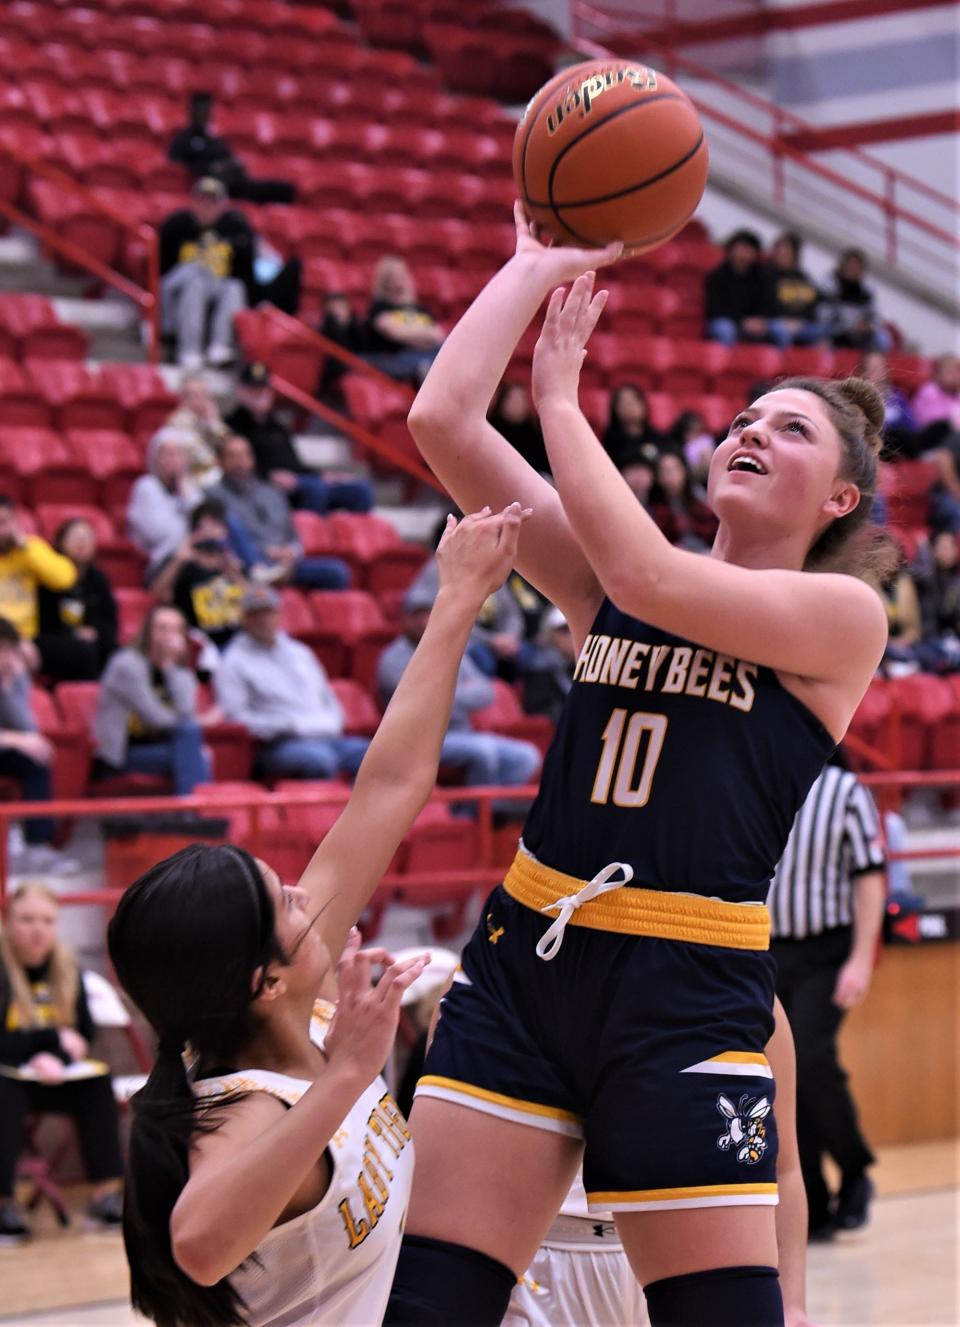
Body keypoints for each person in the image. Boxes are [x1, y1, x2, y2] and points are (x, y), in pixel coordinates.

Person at [386, 204, 888, 1327]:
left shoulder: (841, 618)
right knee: (428, 1312)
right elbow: (443, 418)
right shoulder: (614, 578)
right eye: (745, 416)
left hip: (685, 993)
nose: (751, 430)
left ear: (840, 500)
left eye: (793, 431)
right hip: (525, 964)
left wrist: (562, 400)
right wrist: (527, 267)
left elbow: (655, 577)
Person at [105, 505, 527, 1327]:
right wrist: (343, 1078)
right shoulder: (247, 1106)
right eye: (286, 901)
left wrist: (456, 600)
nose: (308, 894)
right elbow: (197, 1242)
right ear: (262, 980)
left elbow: (392, 787)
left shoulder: (301, 1001)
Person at [505, 1000, 813, 1327]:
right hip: (540, 1257)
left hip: (688, 1264)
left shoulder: (750, 992)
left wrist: (791, 1302)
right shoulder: (506, 968)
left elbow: (785, 1168)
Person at [767, 754, 886, 1240]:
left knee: (812, 1059)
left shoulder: (846, 791)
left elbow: (870, 878)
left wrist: (861, 958)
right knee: (779, 1078)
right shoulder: (763, 780)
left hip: (825, 950)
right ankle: (811, 1198)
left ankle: (855, 1169)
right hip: (767, 950)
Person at [0, 883, 124, 1241]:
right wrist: (51, 1042)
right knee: (4, 1090)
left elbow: (83, 1034)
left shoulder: (68, 967)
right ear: (8, 920)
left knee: (97, 1083)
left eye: (47, 920)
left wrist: (53, 1056)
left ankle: (105, 1194)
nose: (38, 929)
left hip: (52, 1077)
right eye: (27, 919)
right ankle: (4, 1201)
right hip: (10, 1080)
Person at [378, 577, 542, 802]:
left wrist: (442, 693)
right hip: (415, 740)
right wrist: (456, 690)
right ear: (405, 620)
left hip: (459, 734)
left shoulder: (449, 650)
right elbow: (414, 702)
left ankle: (491, 813)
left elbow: (486, 692)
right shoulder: (392, 657)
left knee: (527, 756)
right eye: (417, 614)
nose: (424, 621)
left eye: (429, 612)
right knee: (482, 751)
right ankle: (473, 814)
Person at [216, 585, 369, 781]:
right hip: (278, 745)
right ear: (244, 619)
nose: (263, 620)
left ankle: (360, 810)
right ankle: (324, 811)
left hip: (326, 736)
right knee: (319, 760)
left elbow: (327, 696)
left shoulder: (300, 652)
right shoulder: (234, 661)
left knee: (372, 755)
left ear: (279, 615)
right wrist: (286, 725)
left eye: (268, 612)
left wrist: (332, 722)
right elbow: (235, 718)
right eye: (256, 614)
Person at [226, 361, 374, 517]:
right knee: (316, 489)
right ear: (240, 391)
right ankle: (312, 537)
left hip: (298, 480)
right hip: (266, 485)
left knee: (360, 488)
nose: (260, 395)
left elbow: (296, 464)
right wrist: (268, 476)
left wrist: (322, 475)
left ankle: (354, 538)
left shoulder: (278, 426)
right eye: (254, 390)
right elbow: (235, 466)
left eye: (264, 390)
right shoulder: (232, 426)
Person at [93, 605, 212, 796]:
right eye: (162, 628)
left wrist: (171, 668)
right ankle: (193, 813)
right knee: (195, 750)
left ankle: (192, 812)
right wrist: (195, 721)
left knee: (195, 747)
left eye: (175, 630)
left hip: (159, 746)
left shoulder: (178, 671)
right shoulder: (127, 664)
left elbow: (186, 712)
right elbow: (156, 718)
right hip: (122, 754)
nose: (168, 636)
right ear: (147, 632)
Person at [207, 434, 352, 591]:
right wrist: (265, 552)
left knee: (337, 572)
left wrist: (291, 551)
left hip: (285, 564)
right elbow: (222, 539)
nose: (240, 461)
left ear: (252, 459)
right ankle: (262, 577)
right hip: (250, 565)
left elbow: (293, 536)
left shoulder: (272, 492)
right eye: (232, 456)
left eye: (244, 454)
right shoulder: (212, 496)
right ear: (220, 462)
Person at [0, 617, 70, 874]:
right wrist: (16, 740)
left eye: (11, 651)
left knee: (36, 757)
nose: (7, 659)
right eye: (1, 651)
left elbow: (28, 728)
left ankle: (38, 846)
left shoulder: (11, 678)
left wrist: (9, 689)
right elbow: (22, 736)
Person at [159, 178, 252, 370]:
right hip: (178, 284)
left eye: (212, 203)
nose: (206, 207)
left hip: (215, 285)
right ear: (192, 202)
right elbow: (161, 268)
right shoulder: (176, 225)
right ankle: (189, 350)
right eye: (202, 201)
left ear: (222, 206)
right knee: (195, 279)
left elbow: (244, 269)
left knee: (234, 287)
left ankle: (220, 346)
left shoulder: (235, 227)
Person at [168, 90, 296, 205]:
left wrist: (234, 165)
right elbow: (179, 168)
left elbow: (230, 159)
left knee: (284, 189)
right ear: (192, 111)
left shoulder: (216, 140)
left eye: (207, 110)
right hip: (209, 184)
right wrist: (212, 169)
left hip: (232, 181)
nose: (205, 114)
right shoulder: (182, 140)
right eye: (201, 110)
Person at [36, 517, 118, 682]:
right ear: (60, 542)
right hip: (51, 638)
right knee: (83, 650)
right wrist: (72, 634)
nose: (81, 542)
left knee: (121, 654)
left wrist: (95, 631)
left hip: (91, 641)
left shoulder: (98, 579)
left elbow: (110, 620)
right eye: (75, 537)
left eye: (87, 537)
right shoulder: (46, 576)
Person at [0, 495, 77, 658]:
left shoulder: (31, 548)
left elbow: (65, 579)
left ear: (15, 522)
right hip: (8, 637)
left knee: (81, 652)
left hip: (28, 637)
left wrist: (26, 548)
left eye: (4, 522)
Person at [170, 501, 249, 653]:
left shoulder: (233, 566)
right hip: (206, 646)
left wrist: (236, 575)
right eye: (207, 526)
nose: (212, 532)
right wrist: (178, 561)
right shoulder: (185, 566)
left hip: (239, 642)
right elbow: (160, 596)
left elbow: (252, 605)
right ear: (195, 532)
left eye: (217, 526)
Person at [126, 429, 202, 584]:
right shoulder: (146, 487)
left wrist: (183, 490)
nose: (173, 460)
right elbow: (157, 533)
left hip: (193, 560)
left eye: (178, 454)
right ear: (155, 459)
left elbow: (205, 526)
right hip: (161, 563)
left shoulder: (190, 489)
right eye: (167, 454)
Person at [363, 256, 445, 384]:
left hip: (427, 353)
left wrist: (412, 334)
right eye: (394, 275)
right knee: (424, 365)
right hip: (396, 358)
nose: (399, 278)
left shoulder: (420, 309)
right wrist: (424, 335)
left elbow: (438, 335)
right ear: (385, 280)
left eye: (402, 273)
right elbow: (397, 334)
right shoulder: (380, 307)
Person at [704, 228, 779, 347]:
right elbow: (715, 309)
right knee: (725, 329)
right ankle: (726, 364)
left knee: (778, 329)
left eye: (749, 250)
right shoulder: (717, 276)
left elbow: (768, 303)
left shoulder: (761, 277)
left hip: (752, 323)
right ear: (731, 250)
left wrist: (761, 319)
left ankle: (779, 364)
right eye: (741, 248)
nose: (745, 254)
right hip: (726, 320)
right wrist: (742, 321)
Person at [164, 372, 229, 487]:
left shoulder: (211, 421)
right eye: (195, 395)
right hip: (193, 483)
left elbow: (231, 451)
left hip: (218, 481)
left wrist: (214, 424)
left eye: (204, 395)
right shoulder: (177, 424)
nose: (202, 400)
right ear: (182, 398)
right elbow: (202, 459)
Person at [762, 233, 827, 348]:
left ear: (795, 255)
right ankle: (784, 362)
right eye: (778, 251)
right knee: (779, 330)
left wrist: (799, 322)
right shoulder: (765, 274)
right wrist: (785, 320)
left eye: (786, 252)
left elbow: (811, 305)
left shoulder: (803, 278)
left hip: (800, 324)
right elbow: (764, 304)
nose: (781, 255)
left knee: (824, 331)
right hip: (775, 322)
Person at [648, 450, 718, 552]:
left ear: (684, 471)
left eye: (673, 470)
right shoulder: (654, 508)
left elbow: (713, 531)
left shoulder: (698, 499)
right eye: (664, 471)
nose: (669, 476)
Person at [823, 249, 891, 353]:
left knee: (883, 338)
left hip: (860, 334)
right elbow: (825, 316)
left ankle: (873, 366)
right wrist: (851, 325)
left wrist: (868, 326)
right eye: (850, 265)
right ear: (842, 265)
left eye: (857, 267)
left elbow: (876, 316)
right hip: (837, 330)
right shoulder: (830, 285)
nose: (853, 269)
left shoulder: (866, 292)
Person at [521, 606, 575, 724]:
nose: (572, 635)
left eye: (574, 628)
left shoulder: (590, 662)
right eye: (564, 630)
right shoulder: (539, 668)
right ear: (549, 634)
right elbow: (539, 711)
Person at [489, 381, 549, 475]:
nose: (518, 404)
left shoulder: (535, 431)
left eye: (521, 399)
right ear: (502, 402)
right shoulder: (491, 431)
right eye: (513, 399)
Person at [602, 383, 663, 469]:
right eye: (623, 402)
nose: (629, 406)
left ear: (643, 405)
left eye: (634, 401)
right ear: (615, 409)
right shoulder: (610, 441)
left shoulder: (657, 438)